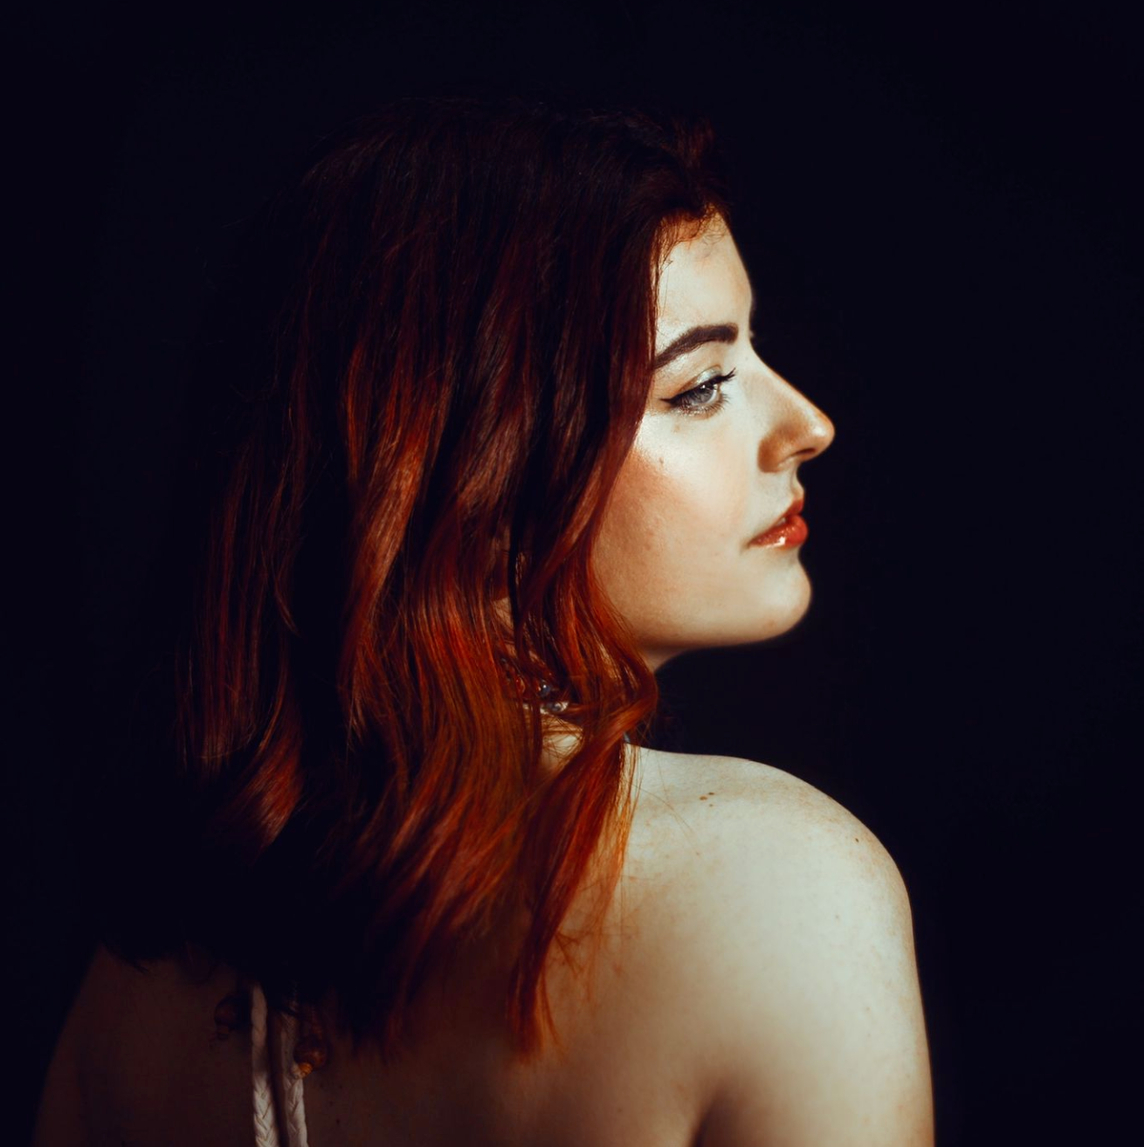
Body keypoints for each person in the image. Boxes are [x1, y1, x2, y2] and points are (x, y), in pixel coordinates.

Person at [33, 90, 934, 1146]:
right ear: (468, 465)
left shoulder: (139, 991)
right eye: (698, 386)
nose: (808, 425)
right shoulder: (776, 889)